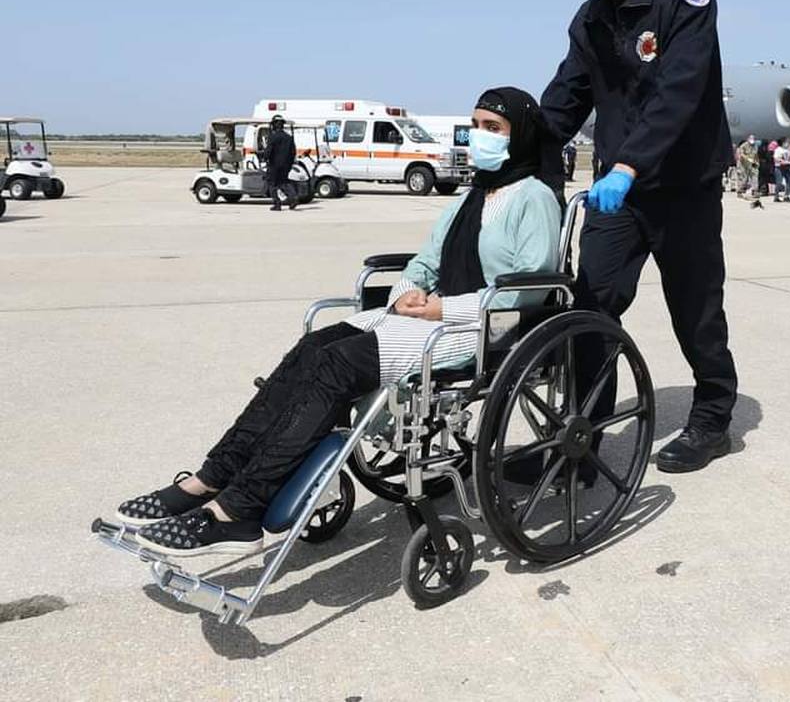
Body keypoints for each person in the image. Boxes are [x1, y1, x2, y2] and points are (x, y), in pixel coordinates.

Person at [113, 88, 561, 556]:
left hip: (480, 329)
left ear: (520, 137)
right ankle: (212, 478)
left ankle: (240, 508)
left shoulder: (534, 198)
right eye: (476, 125)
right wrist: (407, 294)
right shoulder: (470, 198)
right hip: (426, 317)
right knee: (313, 348)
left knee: (337, 368)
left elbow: (528, 290)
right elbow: (423, 261)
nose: (479, 136)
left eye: (494, 128)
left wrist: (441, 309)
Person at [539, 0, 739, 472]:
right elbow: (567, 95)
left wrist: (629, 163)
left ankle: (712, 418)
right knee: (591, 309)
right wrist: (519, 145)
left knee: (696, 306)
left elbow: (679, 93)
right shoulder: (592, 16)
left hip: (681, 186)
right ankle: (583, 436)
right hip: (616, 195)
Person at [260, 115, 298, 211]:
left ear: (274, 125)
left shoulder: (273, 137)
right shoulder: (289, 138)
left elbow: (268, 152)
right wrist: (289, 164)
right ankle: (293, 197)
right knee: (284, 182)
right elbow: (293, 152)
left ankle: (277, 204)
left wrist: (264, 158)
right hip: (286, 165)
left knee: (272, 184)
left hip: (274, 165)